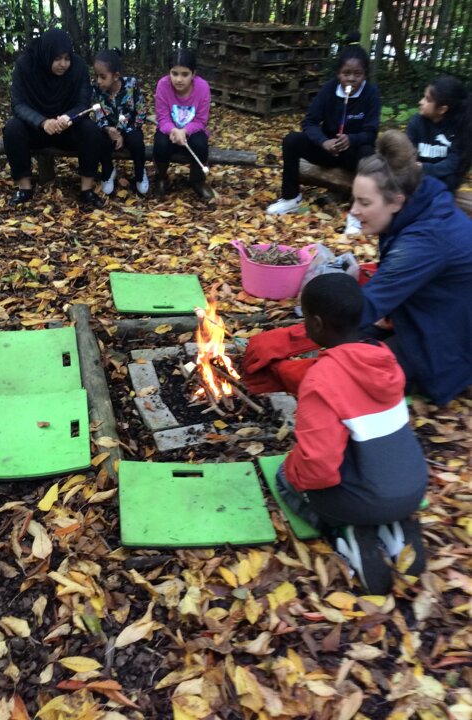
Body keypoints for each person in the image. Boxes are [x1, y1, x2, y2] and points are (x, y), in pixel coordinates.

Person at [245, 130, 472, 407]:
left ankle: (274, 377)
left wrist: (292, 339)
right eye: (355, 199)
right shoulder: (417, 204)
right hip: (418, 316)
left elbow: (364, 306)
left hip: (444, 345)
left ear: (396, 201)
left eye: (364, 203)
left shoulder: (424, 240)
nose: (353, 211)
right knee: (344, 342)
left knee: (329, 375)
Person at [257, 274, 428, 595]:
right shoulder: (385, 359)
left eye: (305, 318)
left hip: (363, 501)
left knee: (285, 477)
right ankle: (394, 529)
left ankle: (344, 533)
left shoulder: (322, 379)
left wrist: (293, 468)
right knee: (364, 460)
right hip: (414, 486)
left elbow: (318, 468)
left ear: (317, 323)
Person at [266, 32, 380, 235]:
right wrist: (323, 141)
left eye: (357, 74)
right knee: (292, 140)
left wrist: (351, 139)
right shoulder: (329, 89)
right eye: (346, 73)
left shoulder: (371, 94)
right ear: (338, 73)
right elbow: (309, 122)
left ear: (365, 75)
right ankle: (291, 198)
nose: (351, 79)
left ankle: (357, 213)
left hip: (352, 155)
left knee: (368, 154)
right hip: (327, 150)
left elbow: (371, 133)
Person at [3, 28, 108, 209]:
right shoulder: (26, 65)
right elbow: (18, 104)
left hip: (67, 128)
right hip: (36, 129)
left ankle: (87, 190)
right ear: (47, 54)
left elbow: (84, 102)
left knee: (91, 130)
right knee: (12, 129)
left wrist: (69, 117)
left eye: (67, 58)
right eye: (57, 58)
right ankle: (24, 188)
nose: (63, 64)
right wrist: (42, 122)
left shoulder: (78, 67)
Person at [153, 48, 212, 201]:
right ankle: (161, 178)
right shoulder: (163, 85)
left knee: (200, 144)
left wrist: (184, 131)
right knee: (160, 144)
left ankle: (198, 181)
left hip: (192, 130)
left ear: (193, 74)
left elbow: (201, 121)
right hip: (169, 129)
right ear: (169, 73)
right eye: (175, 73)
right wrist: (173, 130)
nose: (179, 79)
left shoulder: (203, 87)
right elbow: (162, 117)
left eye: (185, 74)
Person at [92, 48, 148, 197]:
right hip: (108, 130)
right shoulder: (96, 90)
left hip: (130, 127)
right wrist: (107, 129)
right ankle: (108, 170)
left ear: (116, 76)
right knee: (99, 140)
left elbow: (141, 111)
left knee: (137, 141)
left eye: (103, 77)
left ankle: (140, 172)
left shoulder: (131, 85)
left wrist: (122, 132)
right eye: (96, 76)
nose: (98, 81)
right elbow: (97, 113)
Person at [406, 75, 472, 192]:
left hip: (442, 177)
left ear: (442, 109)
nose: (421, 102)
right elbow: (406, 151)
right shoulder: (416, 122)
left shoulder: (459, 128)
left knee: (450, 180)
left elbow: (453, 163)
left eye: (427, 100)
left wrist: (424, 168)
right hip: (416, 174)